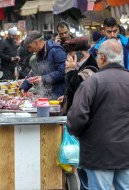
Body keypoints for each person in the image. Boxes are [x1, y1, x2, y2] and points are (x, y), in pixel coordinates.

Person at [67, 39, 129, 190]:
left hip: (98, 152)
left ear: (102, 58)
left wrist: (77, 133)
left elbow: (76, 118)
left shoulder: (91, 83)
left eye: (98, 55)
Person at [58, 37, 99, 190]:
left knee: (87, 169)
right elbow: (73, 89)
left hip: (87, 125)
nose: (67, 59)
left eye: (70, 54)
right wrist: (66, 96)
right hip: (80, 124)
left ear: (80, 54)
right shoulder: (80, 67)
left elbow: (79, 87)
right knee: (81, 166)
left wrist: (69, 71)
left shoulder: (91, 69)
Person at [19, 31, 66, 100]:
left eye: (30, 47)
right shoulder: (41, 53)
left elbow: (62, 72)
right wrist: (24, 86)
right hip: (48, 94)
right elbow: (35, 72)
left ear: (35, 42)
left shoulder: (56, 50)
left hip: (58, 95)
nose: (30, 50)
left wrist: (43, 78)